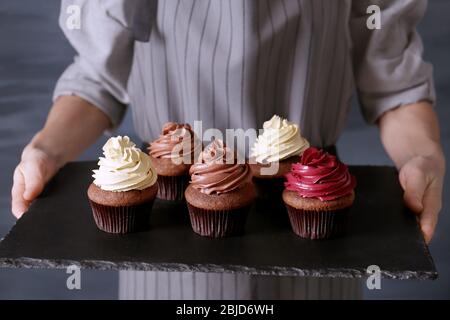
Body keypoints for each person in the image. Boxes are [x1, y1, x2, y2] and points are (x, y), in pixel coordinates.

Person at [10, 0, 445, 299]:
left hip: (314, 221)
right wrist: (46, 149)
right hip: (168, 236)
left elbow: (395, 85)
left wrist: (421, 156)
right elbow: (95, 80)